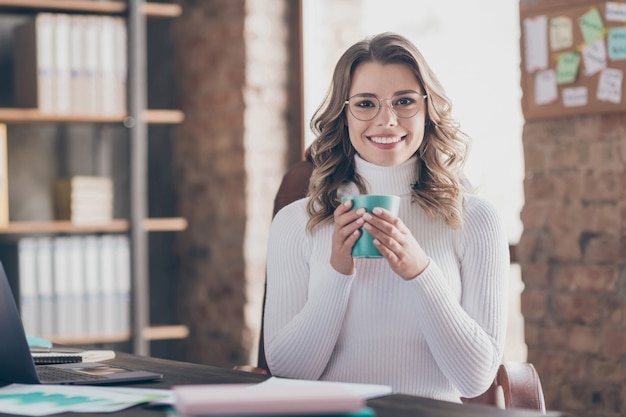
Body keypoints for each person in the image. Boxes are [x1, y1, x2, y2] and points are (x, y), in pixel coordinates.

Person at [263, 32, 509, 403]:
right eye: (365, 103)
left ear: (428, 111)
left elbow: (475, 380)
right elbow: (288, 372)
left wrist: (420, 271)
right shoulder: (296, 222)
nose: (387, 120)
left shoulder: (476, 219)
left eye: (404, 101)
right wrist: (337, 270)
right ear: (344, 116)